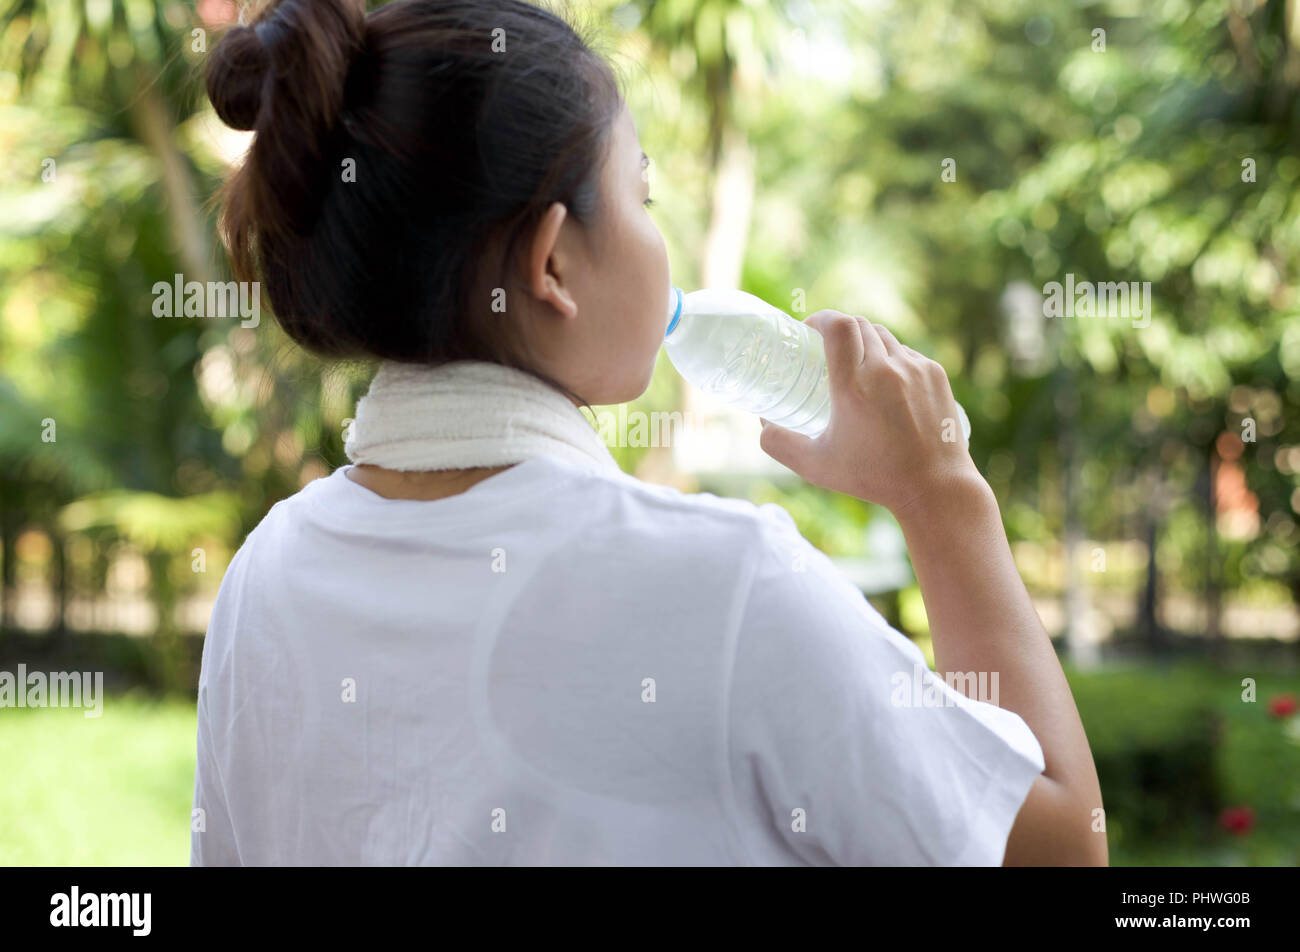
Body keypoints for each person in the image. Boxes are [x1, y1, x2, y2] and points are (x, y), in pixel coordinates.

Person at [191, 0, 1106, 866]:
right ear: (553, 264)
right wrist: (943, 496)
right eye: (644, 196)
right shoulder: (728, 582)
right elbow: (1062, 851)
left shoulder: (264, 580)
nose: (659, 239)